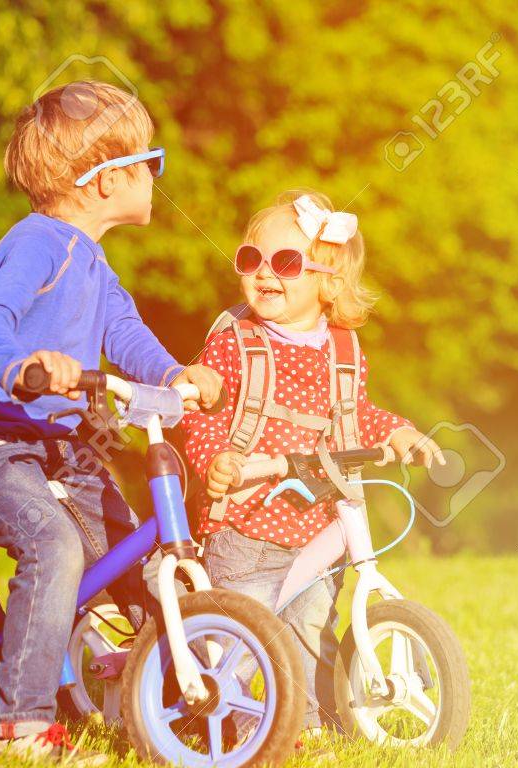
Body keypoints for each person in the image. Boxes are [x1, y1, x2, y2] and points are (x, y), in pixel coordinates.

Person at [0, 80, 222, 765]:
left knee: (136, 556)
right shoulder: (36, 245)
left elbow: (125, 333)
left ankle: (180, 694)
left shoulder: (93, 261)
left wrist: (175, 375)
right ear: (105, 180)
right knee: (55, 546)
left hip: (58, 444)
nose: (154, 174)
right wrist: (23, 366)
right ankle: (18, 726)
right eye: (151, 161)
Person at [183, 190, 441, 737]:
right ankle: (210, 714)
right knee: (239, 639)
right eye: (251, 260)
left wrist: (397, 431)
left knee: (309, 626)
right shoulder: (235, 342)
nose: (264, 274)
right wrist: (215, 460)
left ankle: (310, 726)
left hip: (317, 524)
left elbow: (355, 414)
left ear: (329, 281)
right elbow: (200, 411)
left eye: (285, 263)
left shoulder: (343, 349)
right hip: (245, 524)